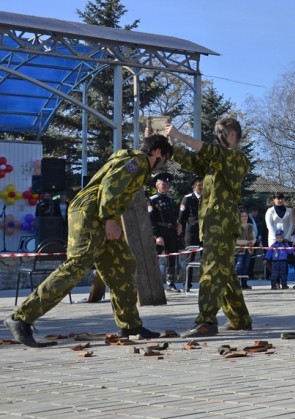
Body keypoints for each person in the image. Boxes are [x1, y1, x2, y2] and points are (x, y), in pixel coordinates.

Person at [4, 134, 174, 347]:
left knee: (124, 264)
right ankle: (21, 318)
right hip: (92, 216)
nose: (163, 163)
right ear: (157, 152)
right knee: (76, 266)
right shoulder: (138, 161)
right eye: (165, 157)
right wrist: (110, 218)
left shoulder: (132, 161)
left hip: (97, 215)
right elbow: (112, 186)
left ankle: (129, 324)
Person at [165, 117, 253, 337]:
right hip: (212, 225)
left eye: (220, 133)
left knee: (211, 272)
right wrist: (167, 142)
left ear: (232, 135)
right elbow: (191, 160)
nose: (216, 136)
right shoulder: (215, 162)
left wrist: (180, 136)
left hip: (222, 226)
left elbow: (209, 151)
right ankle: (240, 319)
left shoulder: (236, 159)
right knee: (225, 273)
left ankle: (206, 321)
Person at [148, 172, 182, 292]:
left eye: (167, 184)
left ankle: (170, 283)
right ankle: (151, 282)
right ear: (157, 185)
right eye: (163, 184)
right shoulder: (152, 200)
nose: (165, 186)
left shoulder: (170, 200)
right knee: (155, 257)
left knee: (171, 256)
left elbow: (174, 216)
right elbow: (151, 219)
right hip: (160, 232)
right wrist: (157, 235)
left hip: (171, 232)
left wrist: (178, 225)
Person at [178, 177, 202, 291]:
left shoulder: (207, 198)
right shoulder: (187, 199)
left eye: (203, 184)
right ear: (193, 186)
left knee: (206, 258)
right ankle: (186, 284)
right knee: (189, 259)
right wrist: (181, 232)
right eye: (199, 185)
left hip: (204, 232)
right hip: (191, 232)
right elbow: (181, 218)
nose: (201, 187)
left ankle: (205, 284)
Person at [235, 207, 257, 289]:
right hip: (239, 250)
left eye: (246, 216)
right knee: (239, 266)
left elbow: (254, 237)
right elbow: (235, 240)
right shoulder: (236, 227)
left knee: (246, 266)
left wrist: (252, 242)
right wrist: (246, 242)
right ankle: (237, 283)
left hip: (248, 250)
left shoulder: (250, 226)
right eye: (242, 216)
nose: (244, 218)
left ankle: (244, 283)